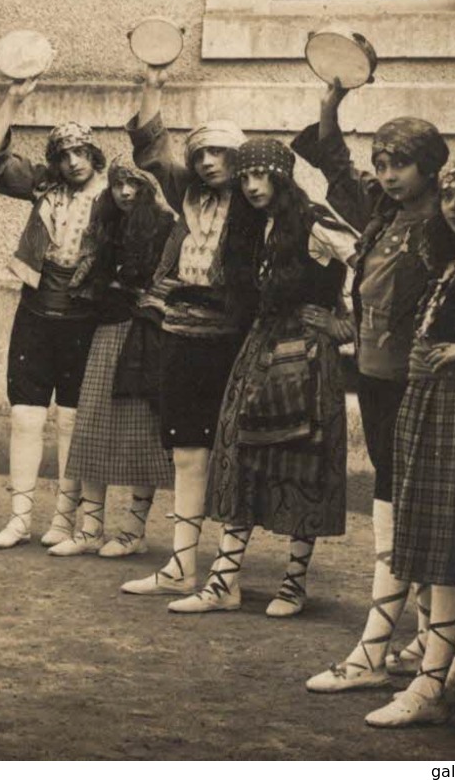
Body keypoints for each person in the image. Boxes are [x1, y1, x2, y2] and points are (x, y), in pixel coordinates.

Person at [296, 92, 447, 691]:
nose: (386, 174)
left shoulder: (448, 220)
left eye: (398, 164)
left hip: (423, 386)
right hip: (379, 381)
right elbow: (335, 162)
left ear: (429, 166)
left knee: (415, 511)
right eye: (381, 163)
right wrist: (332, 102)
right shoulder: (383, 210)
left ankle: (383, 648)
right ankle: (415, 638)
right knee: (394, 507)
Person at [168, 139, 356, 617]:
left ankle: (294, 583)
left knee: (303, 462)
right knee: (239, 455)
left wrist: (346, 326)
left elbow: (374, 267)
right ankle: (224, 580)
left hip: (309, 357)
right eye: (246, 177)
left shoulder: (315, 221)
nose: (252, 186)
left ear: (282, 177)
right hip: (261, 348)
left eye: (262, 176)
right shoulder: (256, 225)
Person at [364, 157, 455, 727]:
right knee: (454, 536)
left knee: (450, 537)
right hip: (439, 399)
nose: (454, 206)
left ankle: (428, 686)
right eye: (448, 196)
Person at [119, 74, 250, 597]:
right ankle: (180, 565)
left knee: (233, 453)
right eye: (201, 155)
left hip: (233, 341)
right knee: (186, 452)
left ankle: (227, 573)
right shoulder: (187, 194)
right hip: (180, 335)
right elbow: (152, 150)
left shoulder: (256, 200)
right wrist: (152, 84)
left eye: (220, 152)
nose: (209, 162)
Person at [0, 79, 108, 549]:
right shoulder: (44, 187)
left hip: (84, 317)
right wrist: (13, 99)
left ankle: (65, 521)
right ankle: (19, 518)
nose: (72, 161)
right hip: (36, 311)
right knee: (26, 415)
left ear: (95, 154)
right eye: (63, 154)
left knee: (73, 420)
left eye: (80, 152)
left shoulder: (116, 196)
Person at [52, 157, 177, 557]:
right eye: (119, 183)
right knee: (90, 427)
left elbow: (166, 282)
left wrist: (140, 297)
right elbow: (88, 276)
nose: (125, 192)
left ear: (148, 188)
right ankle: (90, 528)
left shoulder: (163, 227)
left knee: (141, 431)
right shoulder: (103, 223)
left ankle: (133, 531)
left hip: (143, 334)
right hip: (106, 330)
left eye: (134, 185)